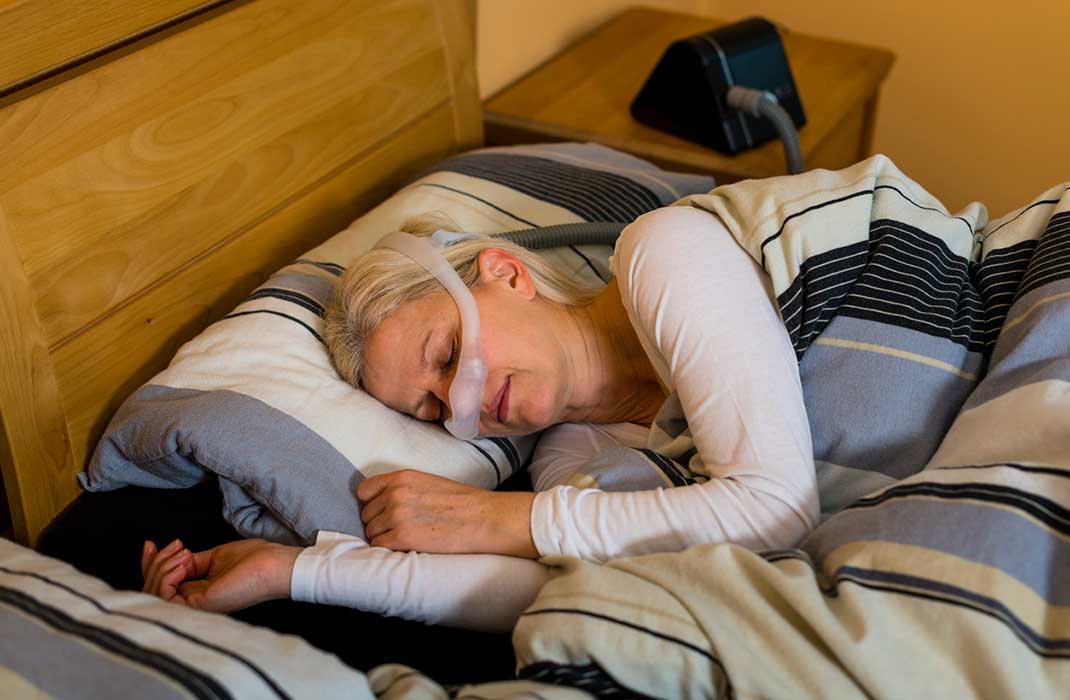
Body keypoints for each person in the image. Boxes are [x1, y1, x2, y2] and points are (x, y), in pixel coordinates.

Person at [141, 206, 819, 632]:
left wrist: (496, 519)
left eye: (448, 354)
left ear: (507, 273)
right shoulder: (575, 459)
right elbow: (562, 596)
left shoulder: (665, 252)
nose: (460, 402)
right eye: (431, 409)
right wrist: (291, 572)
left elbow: (777, 508)